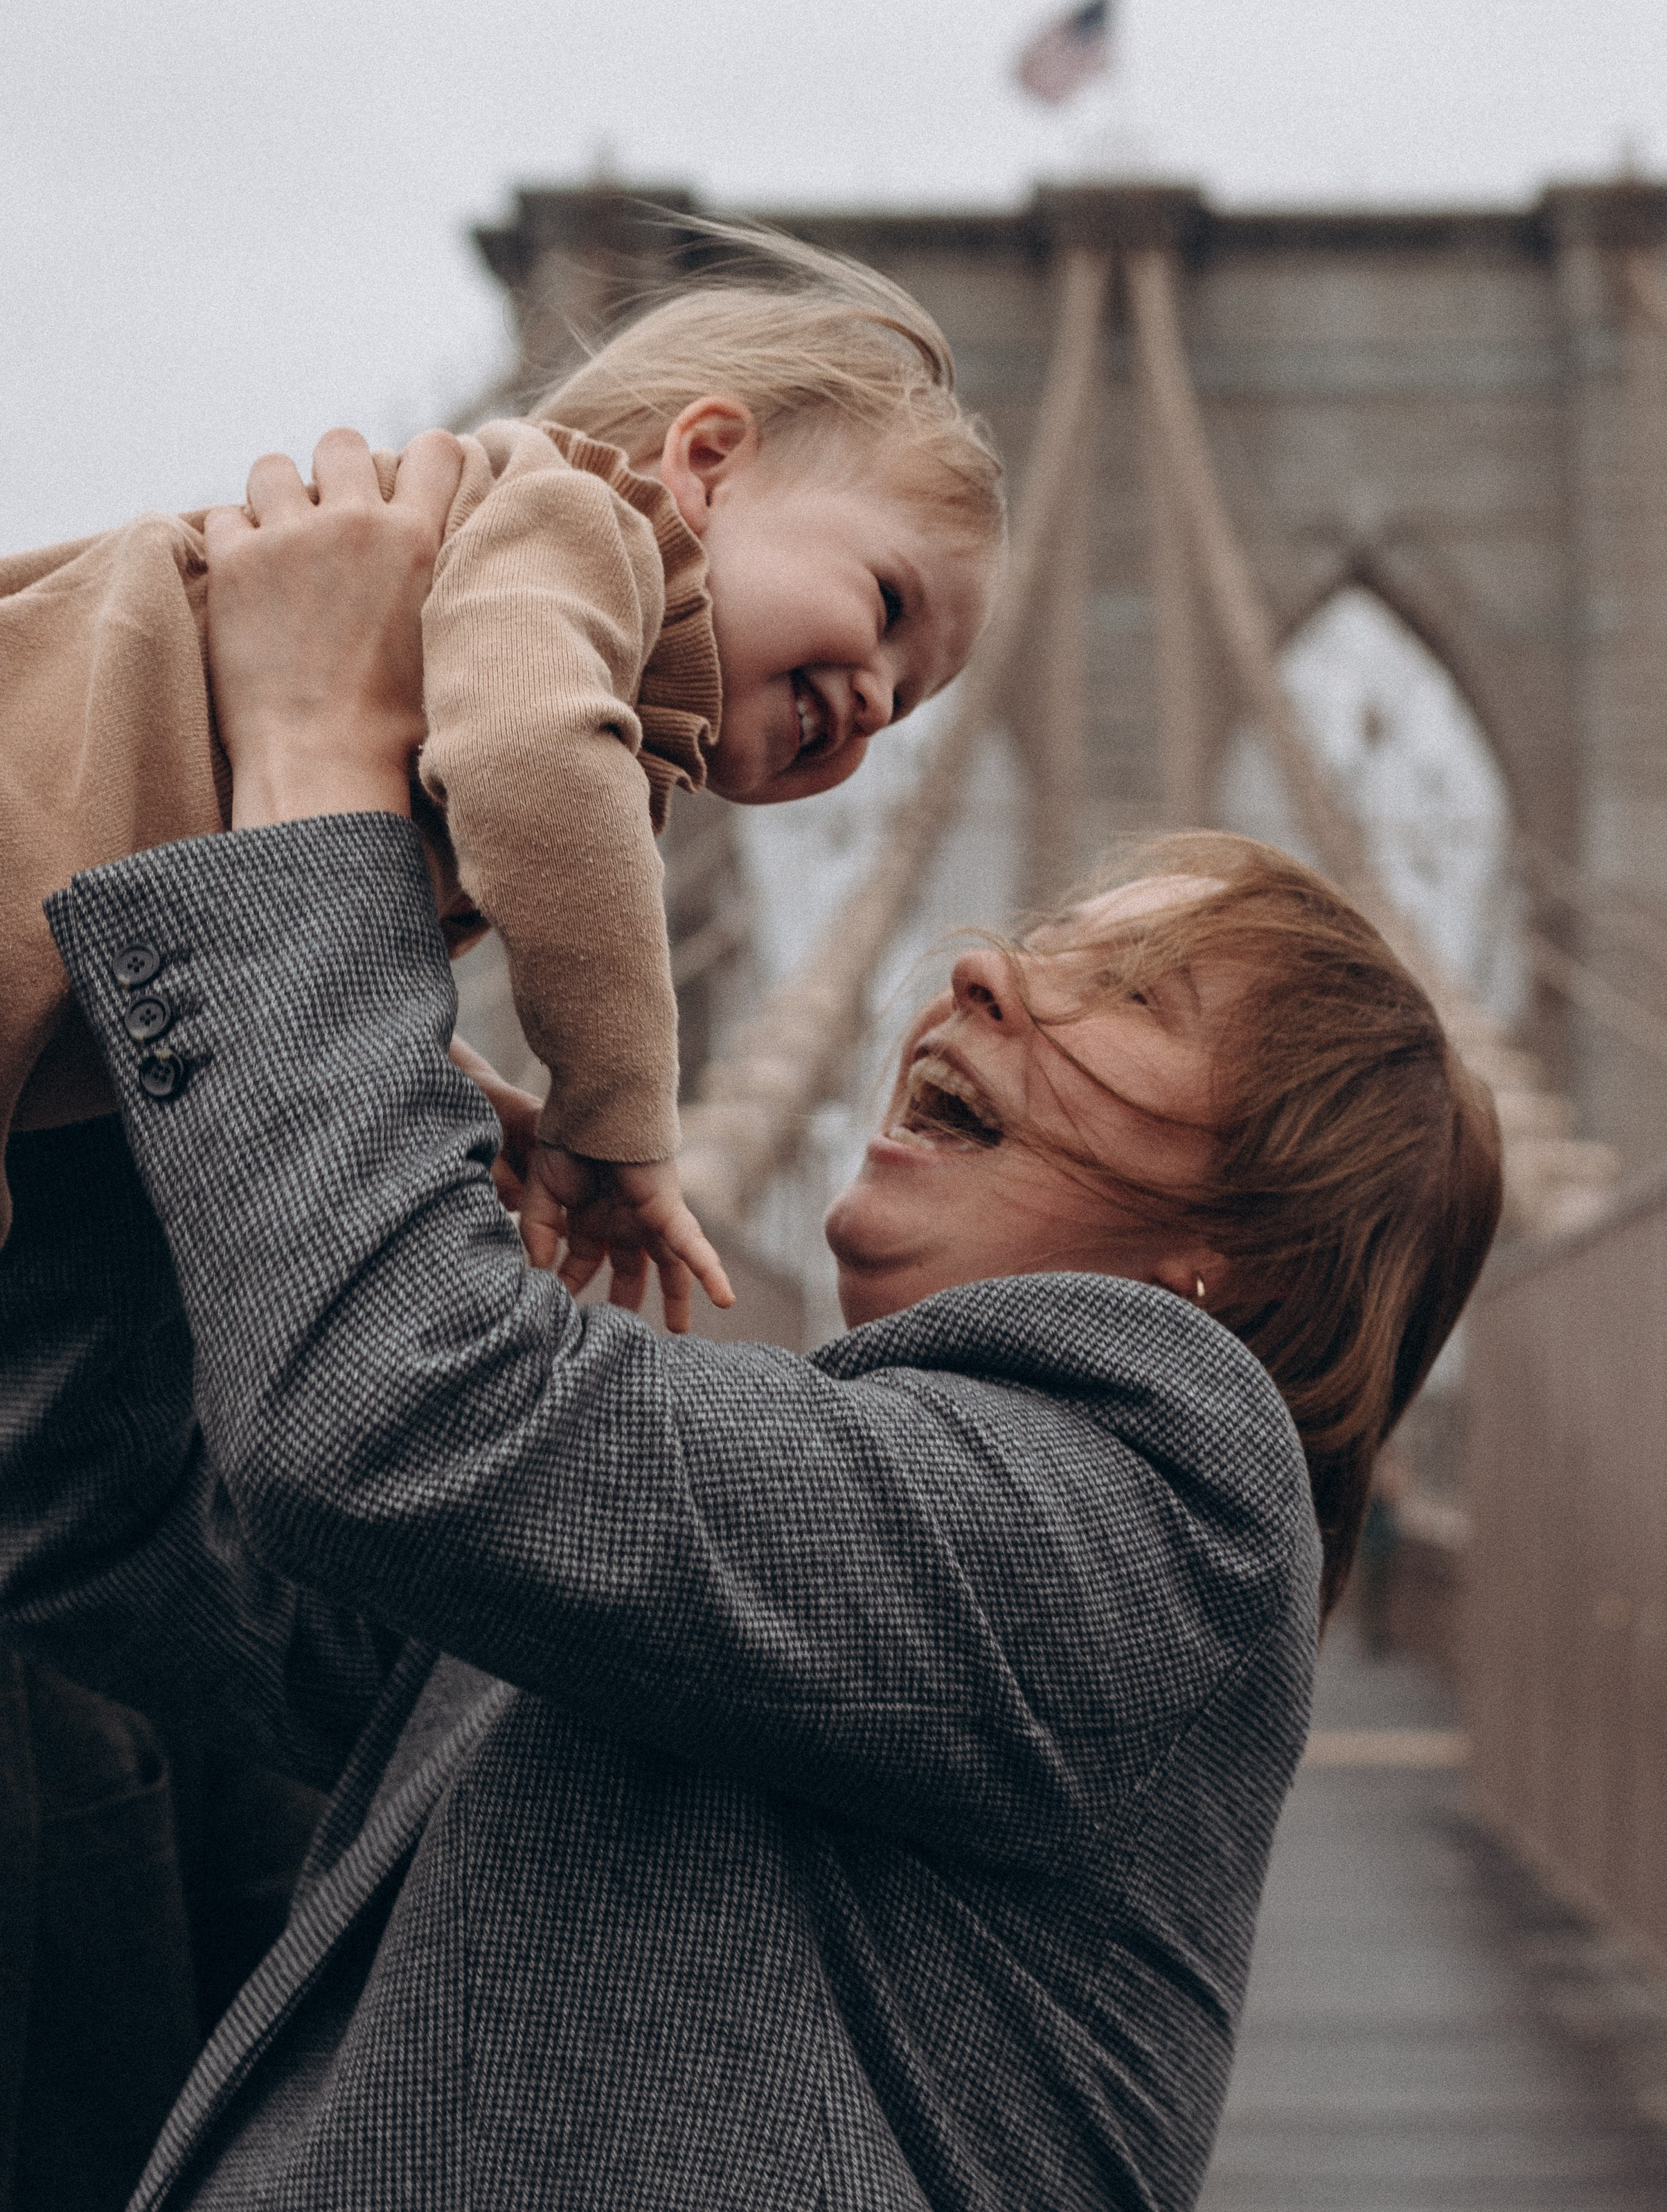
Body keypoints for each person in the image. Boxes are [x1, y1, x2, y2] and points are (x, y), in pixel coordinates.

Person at [0, 455, 1501, 2209]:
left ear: (1233, 1261)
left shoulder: (1147, 1539)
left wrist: (318, 763)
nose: (978, 971)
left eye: (1132, 998)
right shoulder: (795, 1553)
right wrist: (149, 1100)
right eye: (1039, 938)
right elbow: (98, 1525)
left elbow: (398, 1421)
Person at [0, 226, 1001, 1315]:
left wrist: (461, 1096)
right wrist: (617, 1107)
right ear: (707, 463)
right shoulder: (576, 526)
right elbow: (530, 762)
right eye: (889, 606)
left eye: (905, 704)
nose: (874, 699)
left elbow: (292, 914)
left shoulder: (538, 668)